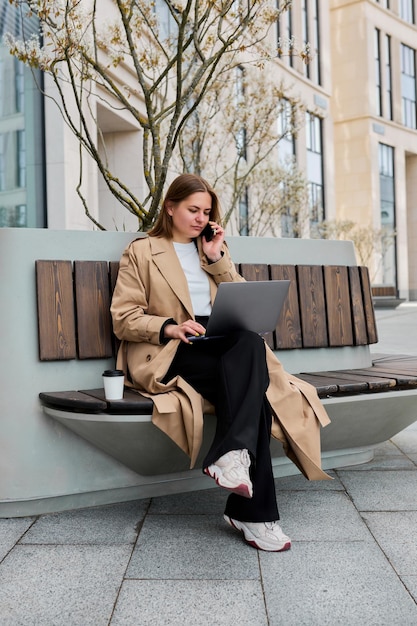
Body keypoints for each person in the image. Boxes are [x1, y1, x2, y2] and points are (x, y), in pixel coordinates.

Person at [111, 173, 331, 552]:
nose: (200, 218)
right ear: (170, 207)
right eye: (192, 210)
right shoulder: (143, 251)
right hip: (172, 348)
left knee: (248, 343)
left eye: (206, 212)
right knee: (255, 393)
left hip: (219, 343)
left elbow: (244, 304)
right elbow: (123, 316)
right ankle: (254, 514)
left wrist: (216, 258)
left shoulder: (211, 251)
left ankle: (232, 457)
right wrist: (169, 327)